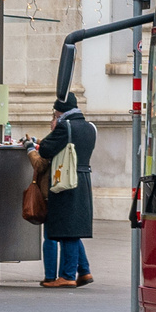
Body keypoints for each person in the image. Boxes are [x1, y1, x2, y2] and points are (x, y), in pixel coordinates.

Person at [28, 94, 96, 288]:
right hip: (83, 178)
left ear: (60, 112)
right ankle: (83, 271)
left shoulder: (65, 126)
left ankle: (67, 275)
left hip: (64, 178)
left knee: (66, 228)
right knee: (73, 227)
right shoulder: (90, 128)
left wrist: (39, 143)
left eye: (55, 114)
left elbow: (46, 150)